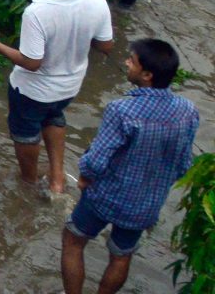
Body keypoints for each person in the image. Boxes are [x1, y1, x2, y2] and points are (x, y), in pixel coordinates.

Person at [0, 0, 117, 195]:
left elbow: (31, 62)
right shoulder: (95, 0)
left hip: (34, 91)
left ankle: (28, 183)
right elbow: (105, 45)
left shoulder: (37, 12)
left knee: (26, 133)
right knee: (53, 118)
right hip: (69, 87)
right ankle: (57, 179)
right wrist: (78, 32)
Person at [63, 38, 198, 294]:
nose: (126, 63)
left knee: (73, 241)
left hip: (105, 198)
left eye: (132, 61)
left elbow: (96, 161)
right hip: (145, 206)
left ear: (147, 75)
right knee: (121, 256)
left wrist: (84, 178)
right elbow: (182, 165)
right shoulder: (188, 111)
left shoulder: (122, 110)